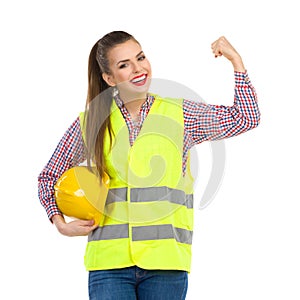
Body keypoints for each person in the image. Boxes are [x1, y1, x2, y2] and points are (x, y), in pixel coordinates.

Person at [38, 31, 260, 300]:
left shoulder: (181, 115)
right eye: (124, 65)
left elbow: (246, 118)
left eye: (140, 57)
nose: (138, 68)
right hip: (109, 264)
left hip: (166, 263)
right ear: (109, 79)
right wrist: (60, 223)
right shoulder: (92, 122)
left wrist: (236, 62)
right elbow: (49, 177)